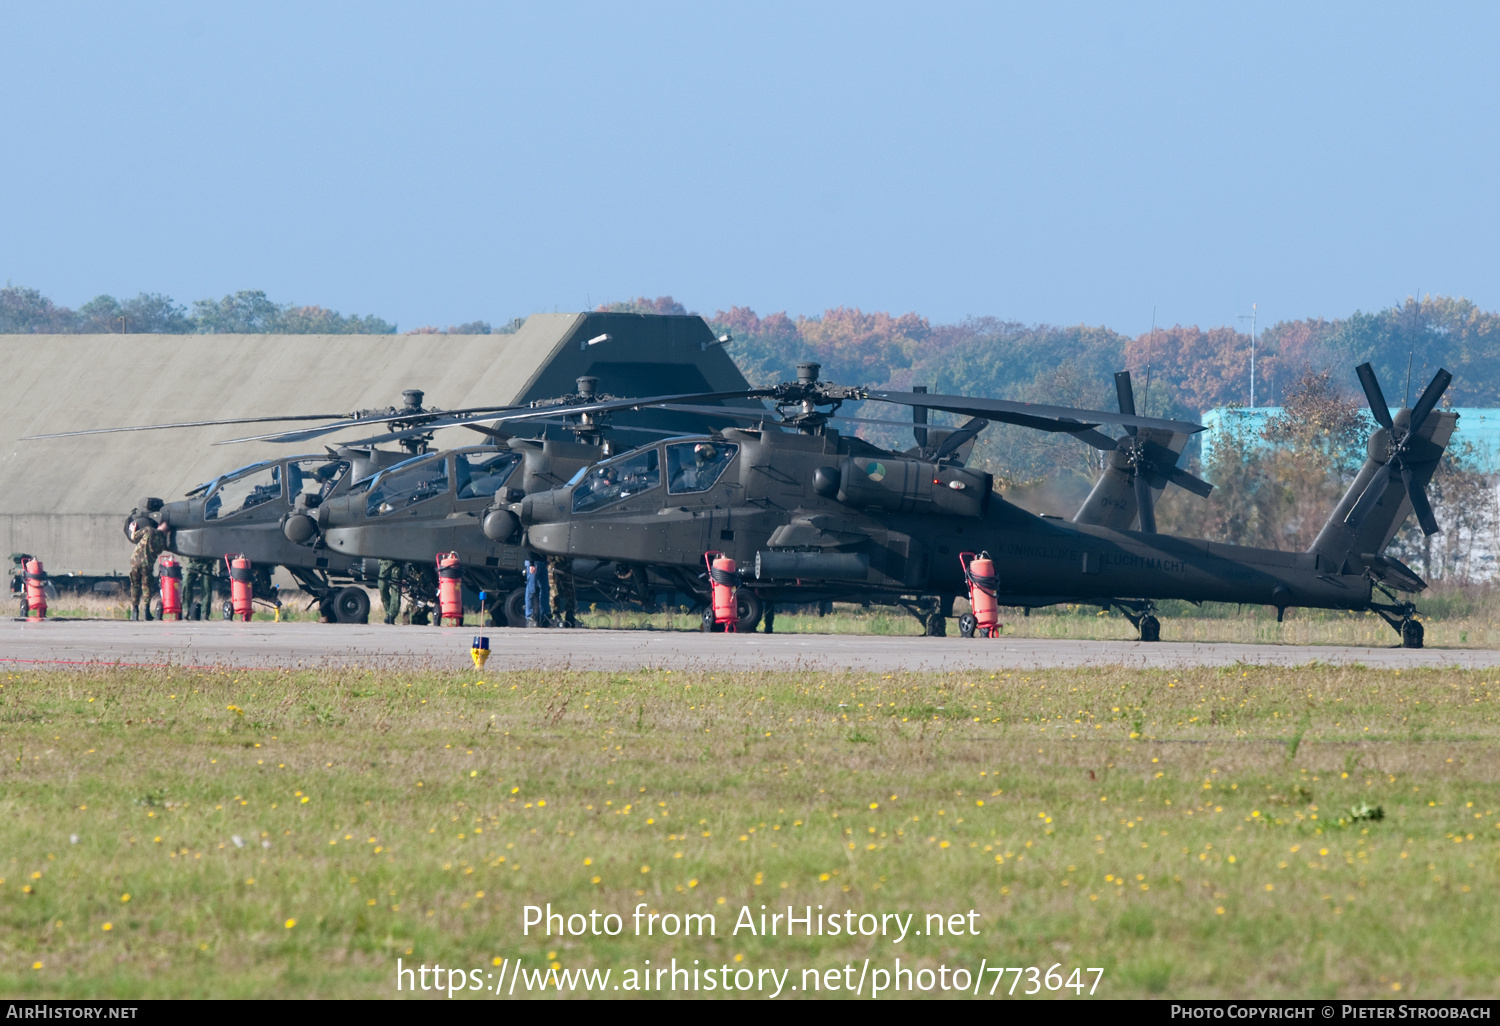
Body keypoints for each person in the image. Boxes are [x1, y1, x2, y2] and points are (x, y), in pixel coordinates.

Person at [127, 518, 168, 620]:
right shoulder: (163, 541)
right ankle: (146, 612)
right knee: (146, 587)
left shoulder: (148, 530)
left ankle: (135, 612)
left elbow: (134, 537)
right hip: (148, 565)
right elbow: (158, 552)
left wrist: (133, 529)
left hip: (136, 561)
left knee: (135, 585)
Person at [547, 555, 577, 628]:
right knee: (554, 591)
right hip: (554, 563)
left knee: (570, 591)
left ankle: (570, 614)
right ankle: (555, 614)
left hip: (566, 562)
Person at [523, 555, 549, 628]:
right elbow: (529, 547)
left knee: (545, 589)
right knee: (531, 590)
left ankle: (544, 616)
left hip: (542, 562)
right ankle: (530, 617)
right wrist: (531, 563)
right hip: (534, 562)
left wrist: (546, 560)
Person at [378, 559, 402, 624]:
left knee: (395, 589)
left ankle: (392, 615)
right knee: (382, 587)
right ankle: (388, 611)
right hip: (385, 561)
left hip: (397, 562)